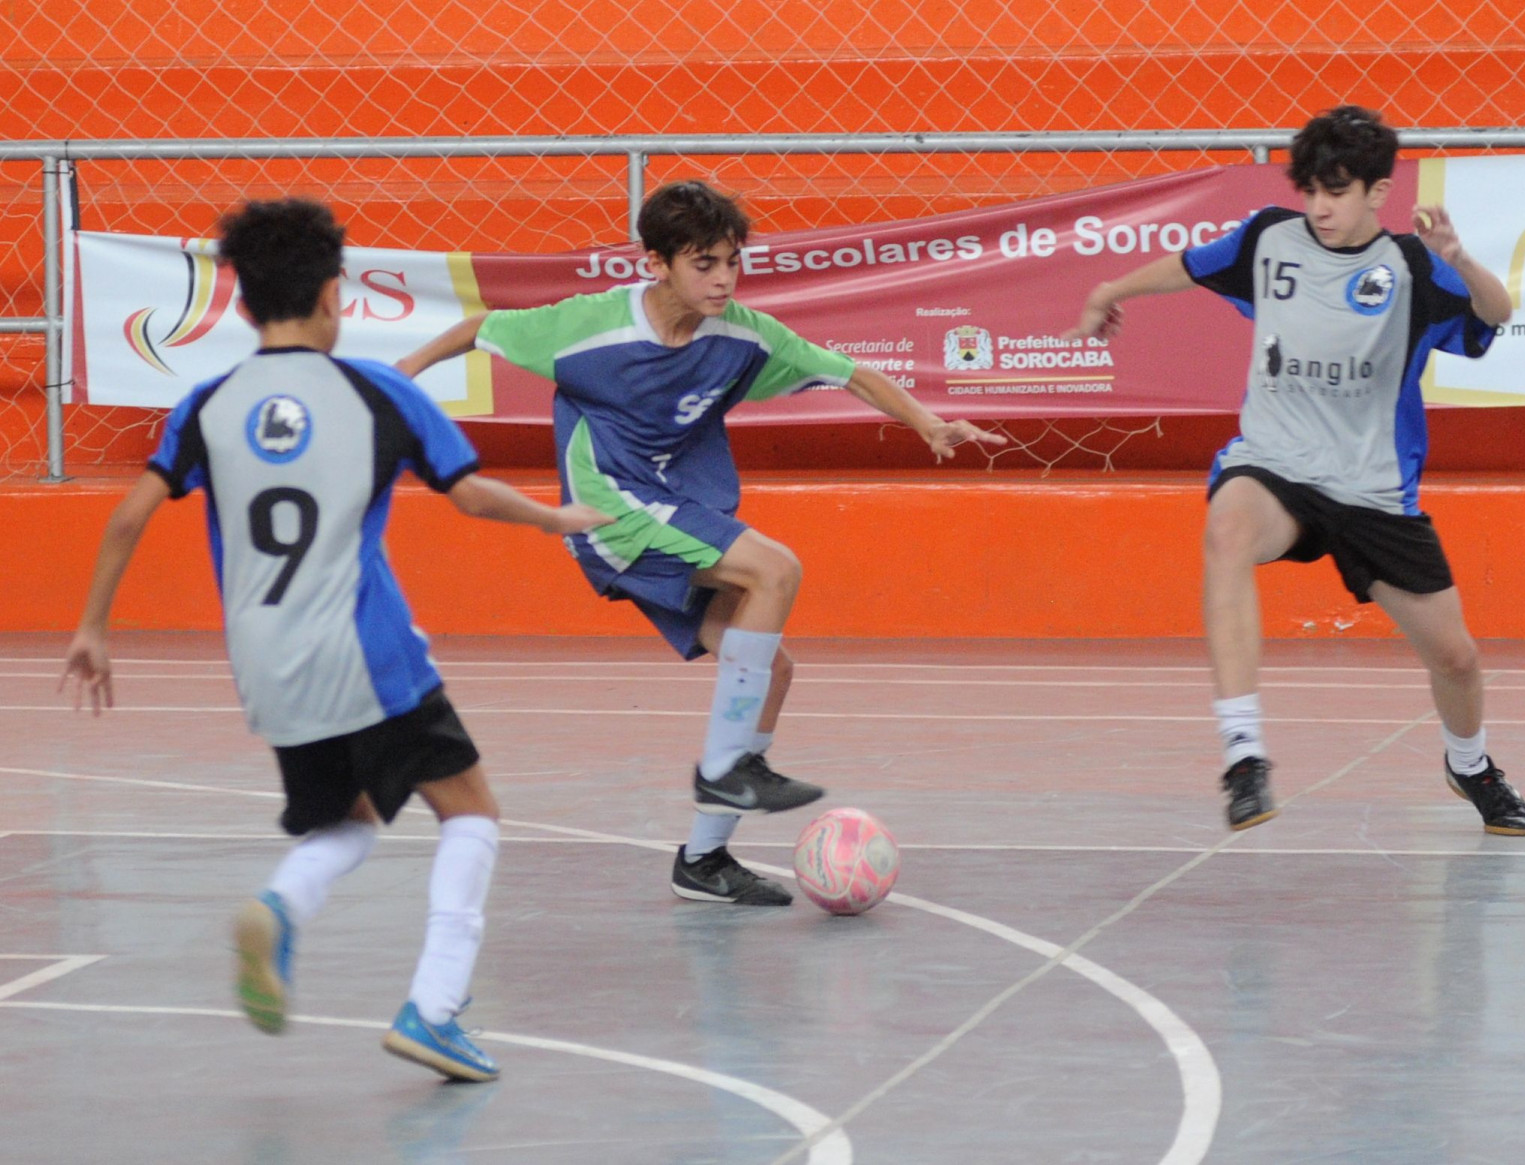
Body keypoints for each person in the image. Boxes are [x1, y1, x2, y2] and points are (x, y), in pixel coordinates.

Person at [60, 197, 610, 1082]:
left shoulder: (206, 402)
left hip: (266, 664)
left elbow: (130, 512)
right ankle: (434, 1008)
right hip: (365, 650)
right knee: (470, 812)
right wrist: (553, 517)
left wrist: (93, 624)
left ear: (241, 306)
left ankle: (279, 906)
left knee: (347, 817)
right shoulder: (376, 392)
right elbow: (470, 497)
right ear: (333, 295)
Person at [396, 181, 1005, 905]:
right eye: (703, 263)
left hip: (674, 505)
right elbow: (479, 327)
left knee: (771, 671)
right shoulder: (588, 326)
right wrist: (399, 378)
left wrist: (927, 423)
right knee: (776, 570)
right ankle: (726, 768)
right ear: (656, 262)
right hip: (609, 509)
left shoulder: (742, 334)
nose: (721, 279)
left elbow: (851, 373)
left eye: (731, 262)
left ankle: (703, 859)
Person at [1065, 105, 1525, 837]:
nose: (1319, 206)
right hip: (1275, 463)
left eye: (1337, 191)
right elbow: (1188, 265)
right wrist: (1109, 292)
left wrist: (1459, 257)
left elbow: (1496, 312)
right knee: (1226, 531)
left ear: (1378, 192)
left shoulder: (1410, 269)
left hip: (1372, 488)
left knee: (1456, 657)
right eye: (1311, 189)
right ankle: (1244, 755)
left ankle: (1468, 764)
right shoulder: (1267, 241)